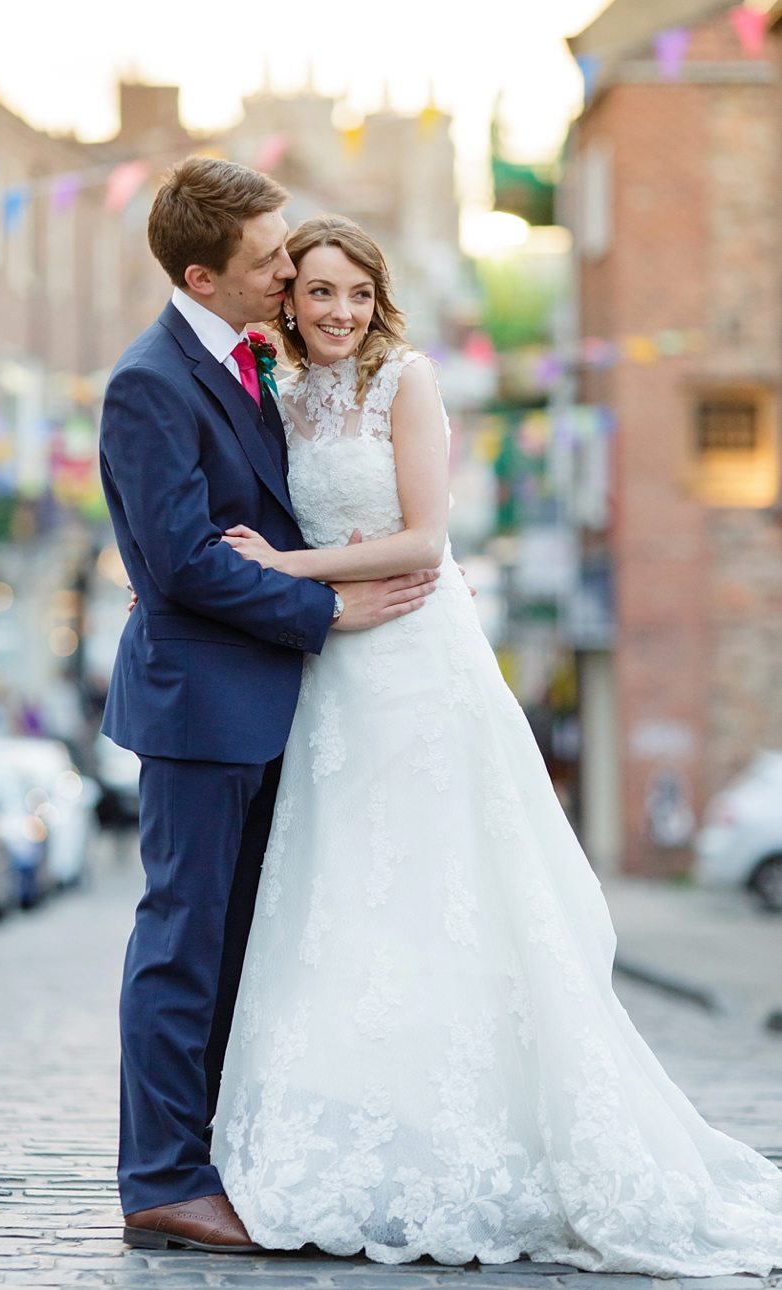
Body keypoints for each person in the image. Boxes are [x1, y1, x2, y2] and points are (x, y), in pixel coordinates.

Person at [211, 214, 782, 1274]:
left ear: (376, 299)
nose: (338, 313)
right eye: (317, 293)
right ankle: (352, 1138)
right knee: (343, 892)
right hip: (333, 672)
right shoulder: (278, 394)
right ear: (286, 300)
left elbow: (427, 537)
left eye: (355, 293)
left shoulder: (406, 381)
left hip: (417, 661)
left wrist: (282, 567)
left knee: (445, 888)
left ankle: (483, 1143)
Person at [98, 159, 438, 1254]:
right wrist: (327, 612)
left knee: (242, 942)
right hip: (199, 703)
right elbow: (182, 563)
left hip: (266, 702)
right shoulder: (150, 380)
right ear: (203, 275)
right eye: (270, 261)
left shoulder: (254, 363)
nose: (291, 271)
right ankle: (160, 1178)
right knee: (181, 941)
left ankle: (216, 1153)